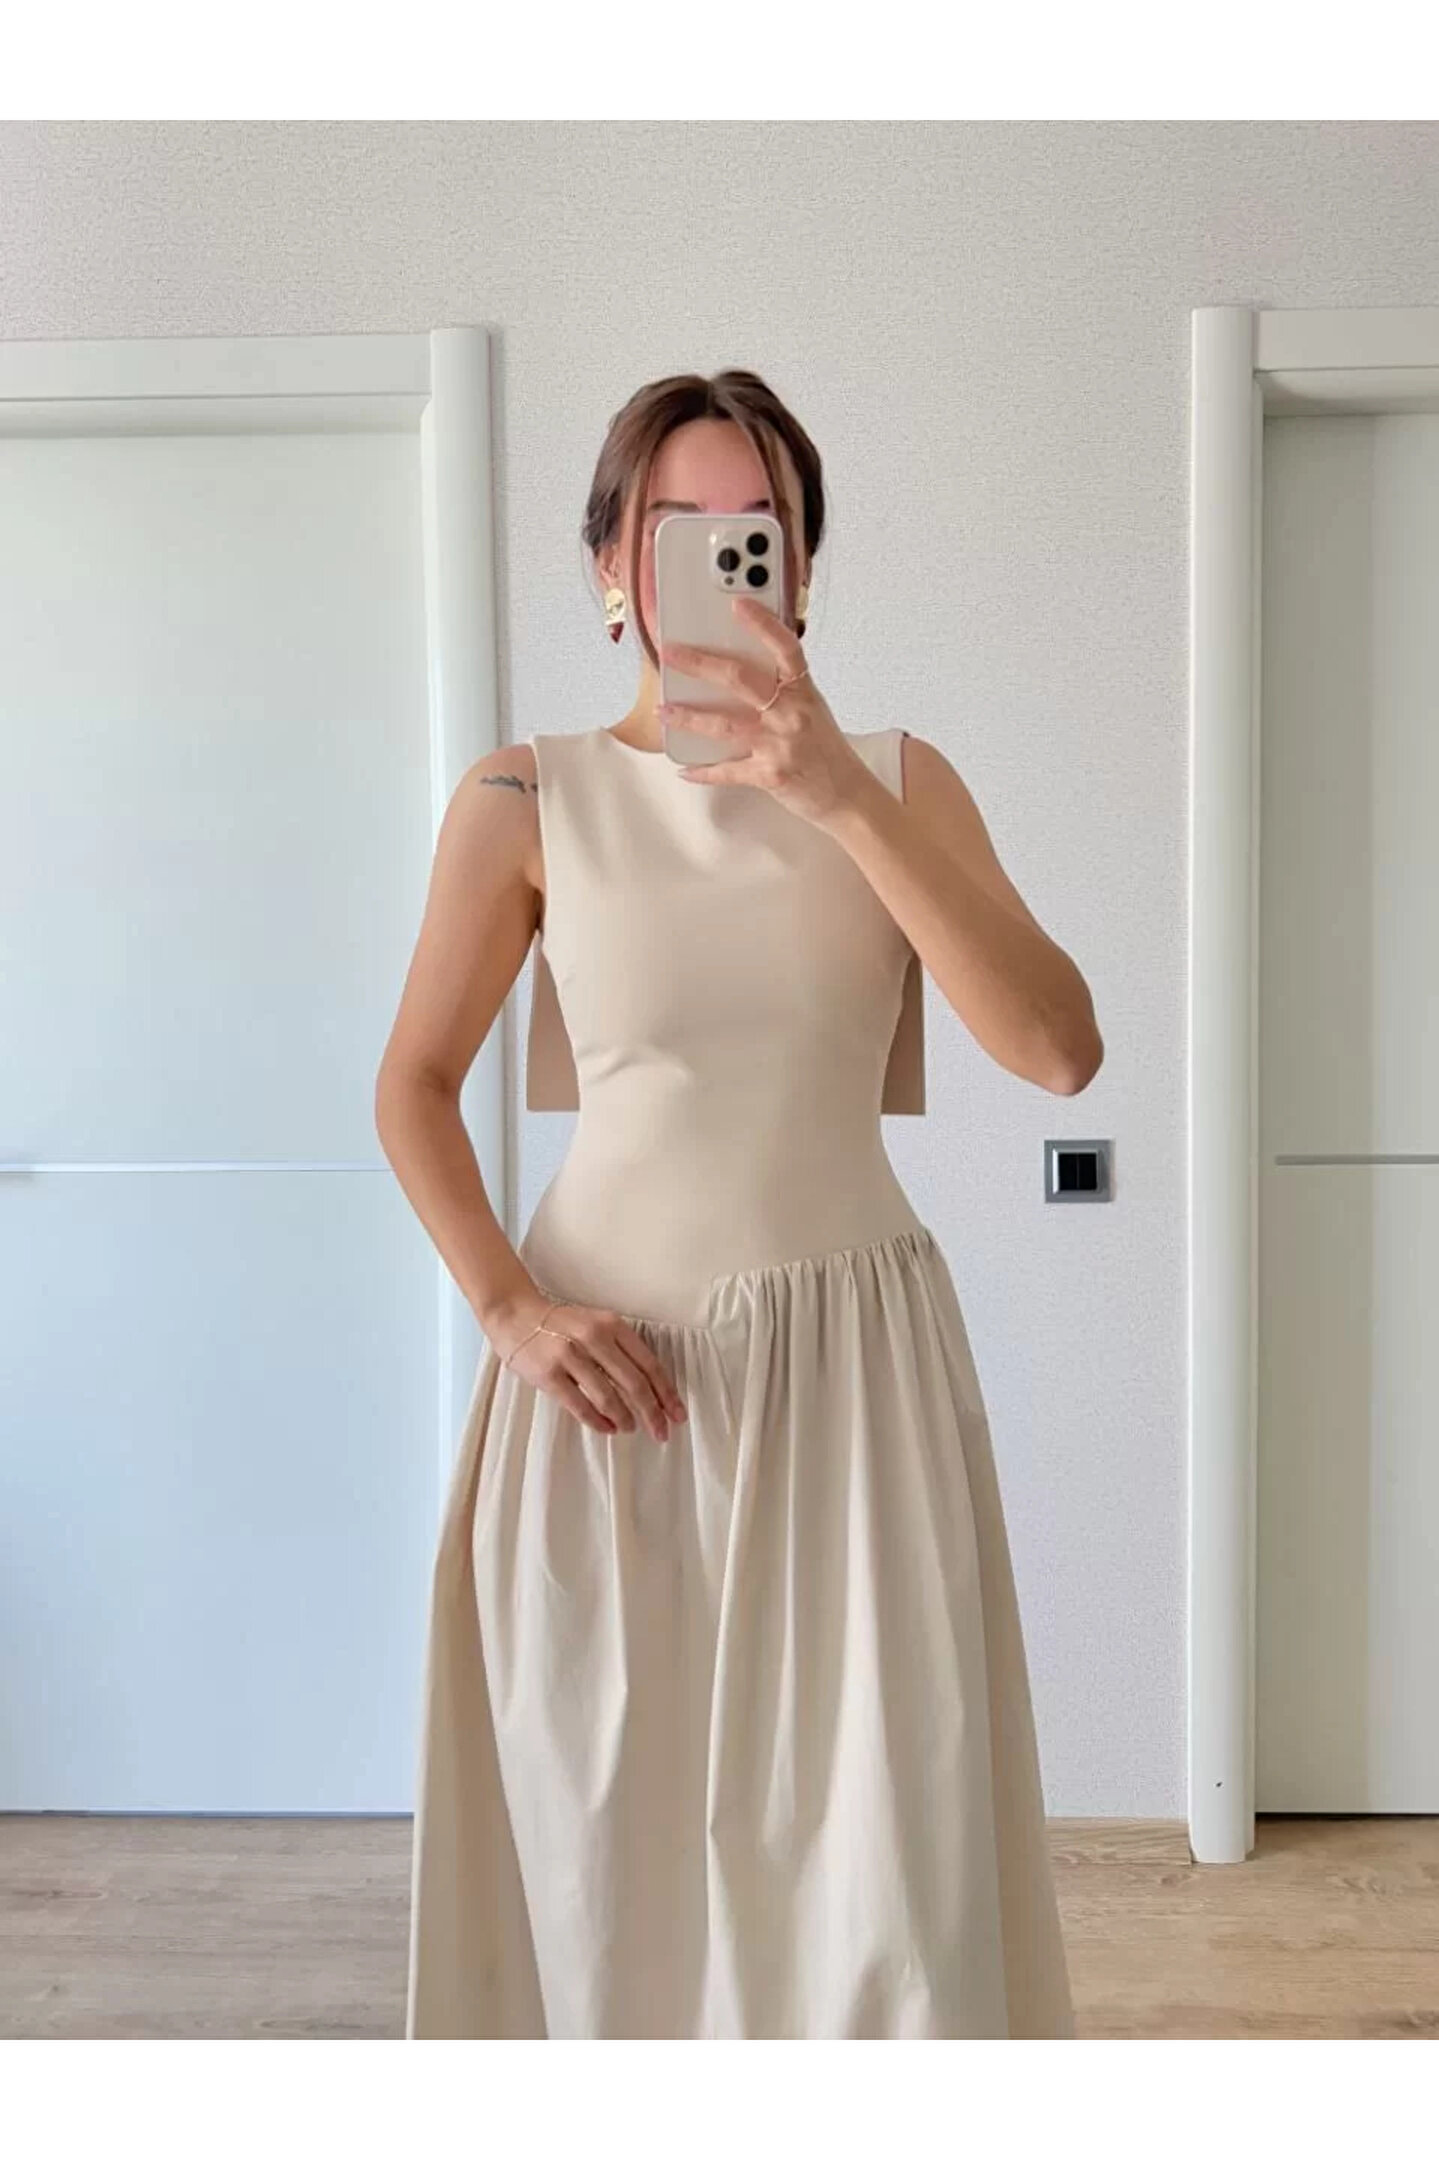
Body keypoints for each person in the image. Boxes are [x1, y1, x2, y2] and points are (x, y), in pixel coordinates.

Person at [377, 368, 1101, 2039]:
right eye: (674, 526)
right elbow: (412, 1082)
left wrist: (833, 791)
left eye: (754, 528)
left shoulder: (901, 782)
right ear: (610, 565)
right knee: (607, 1893)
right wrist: (507, 1307)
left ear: (802, 565)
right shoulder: (522, 798)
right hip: (606, 1397)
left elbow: (1059, 1049)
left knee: (884, 1900)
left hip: (856, 1393)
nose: (718, 555)